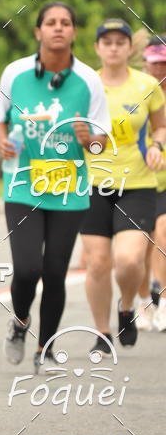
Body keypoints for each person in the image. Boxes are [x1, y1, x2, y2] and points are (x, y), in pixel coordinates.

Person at [0, 2, 111, 374]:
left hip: (69, 191)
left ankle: (46, 346)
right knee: (27, 269)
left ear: (74, 32)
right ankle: (20, 323)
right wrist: (1, 142)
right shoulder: (15, 73)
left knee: (55, 272)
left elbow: (100, 144)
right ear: (38, 32)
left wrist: (89, 138)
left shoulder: (89, 81)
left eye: (65, 23)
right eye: (50, 23)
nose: (58, 28)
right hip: (22, 184)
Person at [80, 20, 166, 350]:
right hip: (92, 185)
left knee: (129, 260)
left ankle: (127, 306)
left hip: (137, 184)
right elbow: (77, 133)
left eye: (120, 42)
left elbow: (159, 127)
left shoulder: (147, 84)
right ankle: (102, 333)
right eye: (107, 42)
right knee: (99, 263)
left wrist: (157, 146)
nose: (114, 47)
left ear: (130, 48)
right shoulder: (85, 86)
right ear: (98, 48)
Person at [138, 36, 166, 331]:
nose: (159, 69)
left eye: (164, 63)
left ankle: (164, 306)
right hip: (139, 180)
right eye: (154, 63)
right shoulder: (136, 94)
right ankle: (144, 301)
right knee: (140, 248)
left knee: (162, 235)